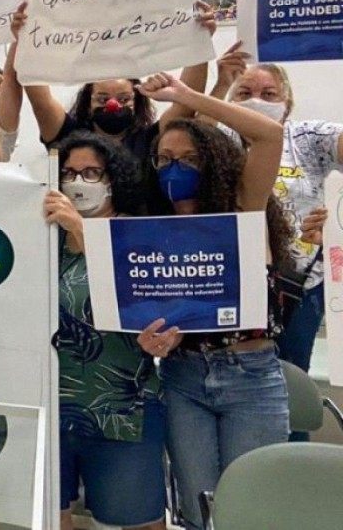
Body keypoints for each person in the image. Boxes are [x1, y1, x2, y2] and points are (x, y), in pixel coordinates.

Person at [131, 72, 290, 530]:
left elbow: (268, 134)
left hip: (252, 377)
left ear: (215, 162)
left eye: (189, 158)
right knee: (200, 514)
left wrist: (187, 96)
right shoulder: (151, 230)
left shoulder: (243, 205)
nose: (174, 169)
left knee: (252, 511)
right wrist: (149, 340)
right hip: (183, 376)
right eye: (164, 160)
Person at [208, 56, 342, 437]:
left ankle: (287, 468)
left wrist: (336, 218)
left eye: (269, 93)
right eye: (245, 93)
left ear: (288, 100)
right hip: (230, 285)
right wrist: (216, 85)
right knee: (231, 382)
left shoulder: (307, 138)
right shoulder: (217, 139)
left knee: (289, 386)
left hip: (298, 285)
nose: (257, 100)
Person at [44, 133, 165, 530]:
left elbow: (136, 302)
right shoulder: (46, 237)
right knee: (50, 518)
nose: (78, 181)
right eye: (69, 173)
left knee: (131, 521)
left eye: (91, 172)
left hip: (121, 410)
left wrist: (81, 229)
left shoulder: (139, 235)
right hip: (52, 406)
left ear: (113, 180)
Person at [6, 2, 217, 164]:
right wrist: (25, 40)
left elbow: (187, 104)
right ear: (88, 102)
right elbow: (40, 100)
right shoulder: (67, 134)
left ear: (138, 101)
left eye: (123, 98)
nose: (112, 105)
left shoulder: (151, 139)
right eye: (102, 98)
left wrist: (200, 41)